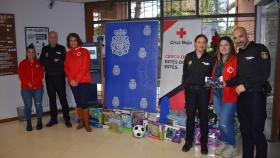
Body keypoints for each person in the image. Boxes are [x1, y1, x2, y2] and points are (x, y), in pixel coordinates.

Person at [225, 27, 271, 158]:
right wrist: (226, 83)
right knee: (245, 132)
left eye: (240, 36)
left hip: (256, 96)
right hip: (242, 98)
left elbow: (264, 74)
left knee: (256, 132)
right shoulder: (239, 55)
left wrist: (246, 85)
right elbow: (239, 77)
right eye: (235, 38)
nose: (238, 40)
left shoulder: (260, 49)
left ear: (247, 35)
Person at [181, 34, 214, 155]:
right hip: (190, 93)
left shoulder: (210, 59)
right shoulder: (188, 57)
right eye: (199, 42)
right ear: (195, 43)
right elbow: (184, 75)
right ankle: (188, 141)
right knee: (190, 118)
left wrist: (209, 89)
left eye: (204, 42)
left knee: (204, 119)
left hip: (203, 93)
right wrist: (186, 88)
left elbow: (213, 77)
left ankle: (204, 144)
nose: (201, 44)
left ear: (206, 44)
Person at [212, 36, 238, 158]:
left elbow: (238, 78)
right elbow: (215, 77)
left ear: (231, 46)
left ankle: (232, 146)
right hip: (217, 95)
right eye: (221, 45)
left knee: (225, 122)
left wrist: (227, 82)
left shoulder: (235, 60)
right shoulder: (218, 60)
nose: (223, 47)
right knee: (221, 120)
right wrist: (211, 83)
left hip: (230, 96)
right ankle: (224, 142)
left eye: (226, 45)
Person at [39, 31, 72, 128]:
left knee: (63, 99)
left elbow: (63, 62)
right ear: (48, 39)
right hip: (49, 78)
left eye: (54, 37)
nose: (52, 39)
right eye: (51, 37)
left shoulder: (61, 48)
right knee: (52, 100)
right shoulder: (45, 48)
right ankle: (54, 119)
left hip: (60, 77)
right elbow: (41, 61)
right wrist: (54, 61)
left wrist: (49, 60)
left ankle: (67, 119)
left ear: (57, 38)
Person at [64, 33, 93, 132]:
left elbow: (85, 67)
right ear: (69, 42)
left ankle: (87, 124)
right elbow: (66, 68)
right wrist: (71, 79)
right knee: (78, 103)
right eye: (71, 40)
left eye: (74, 40)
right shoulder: (67, 54)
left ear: (78, 41)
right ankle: (82, 122)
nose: (73, 42)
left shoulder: (84, 51)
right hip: (72, 82)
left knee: (84, 102)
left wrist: (77, 80)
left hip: (84, 80)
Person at [18, 44, 44, 131]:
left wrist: (33, 83)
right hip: (26, 89)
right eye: (29, 52)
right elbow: (21, 76)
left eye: (33, 52)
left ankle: (39, 121)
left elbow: (41, 75)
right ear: (26, 53)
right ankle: (29, 123)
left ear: (35, 53)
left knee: (38, 104)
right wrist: (28, 83)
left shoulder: (39, 63)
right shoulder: (22, 63)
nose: (31, 54)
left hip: (38, 88)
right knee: (28, 106)